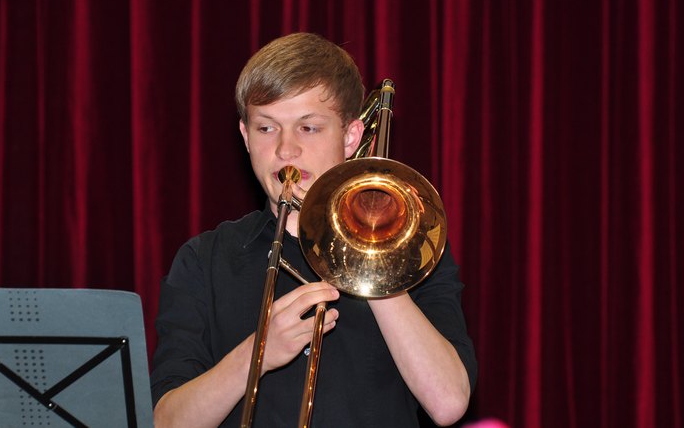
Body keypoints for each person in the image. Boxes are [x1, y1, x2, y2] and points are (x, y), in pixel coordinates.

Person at [151, 32, 477, 427]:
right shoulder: (204, 259)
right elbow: (165, 421)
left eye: (308, 128)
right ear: (245, 137)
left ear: (351, 137)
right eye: (266, 128)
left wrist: (372, 258)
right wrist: (257, 354)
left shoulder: (411, 245)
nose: (285, 150)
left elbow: (448, 403)